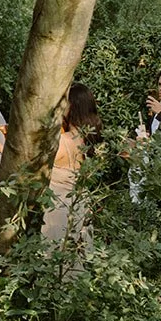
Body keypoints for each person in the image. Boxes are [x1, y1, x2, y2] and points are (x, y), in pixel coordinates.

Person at [43, 83, 100, 250]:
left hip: (58, 211)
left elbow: (31, 168)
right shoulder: (89, 138)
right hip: (81, 206)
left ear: (72, 107)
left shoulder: (63, 141)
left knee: (57, 257)